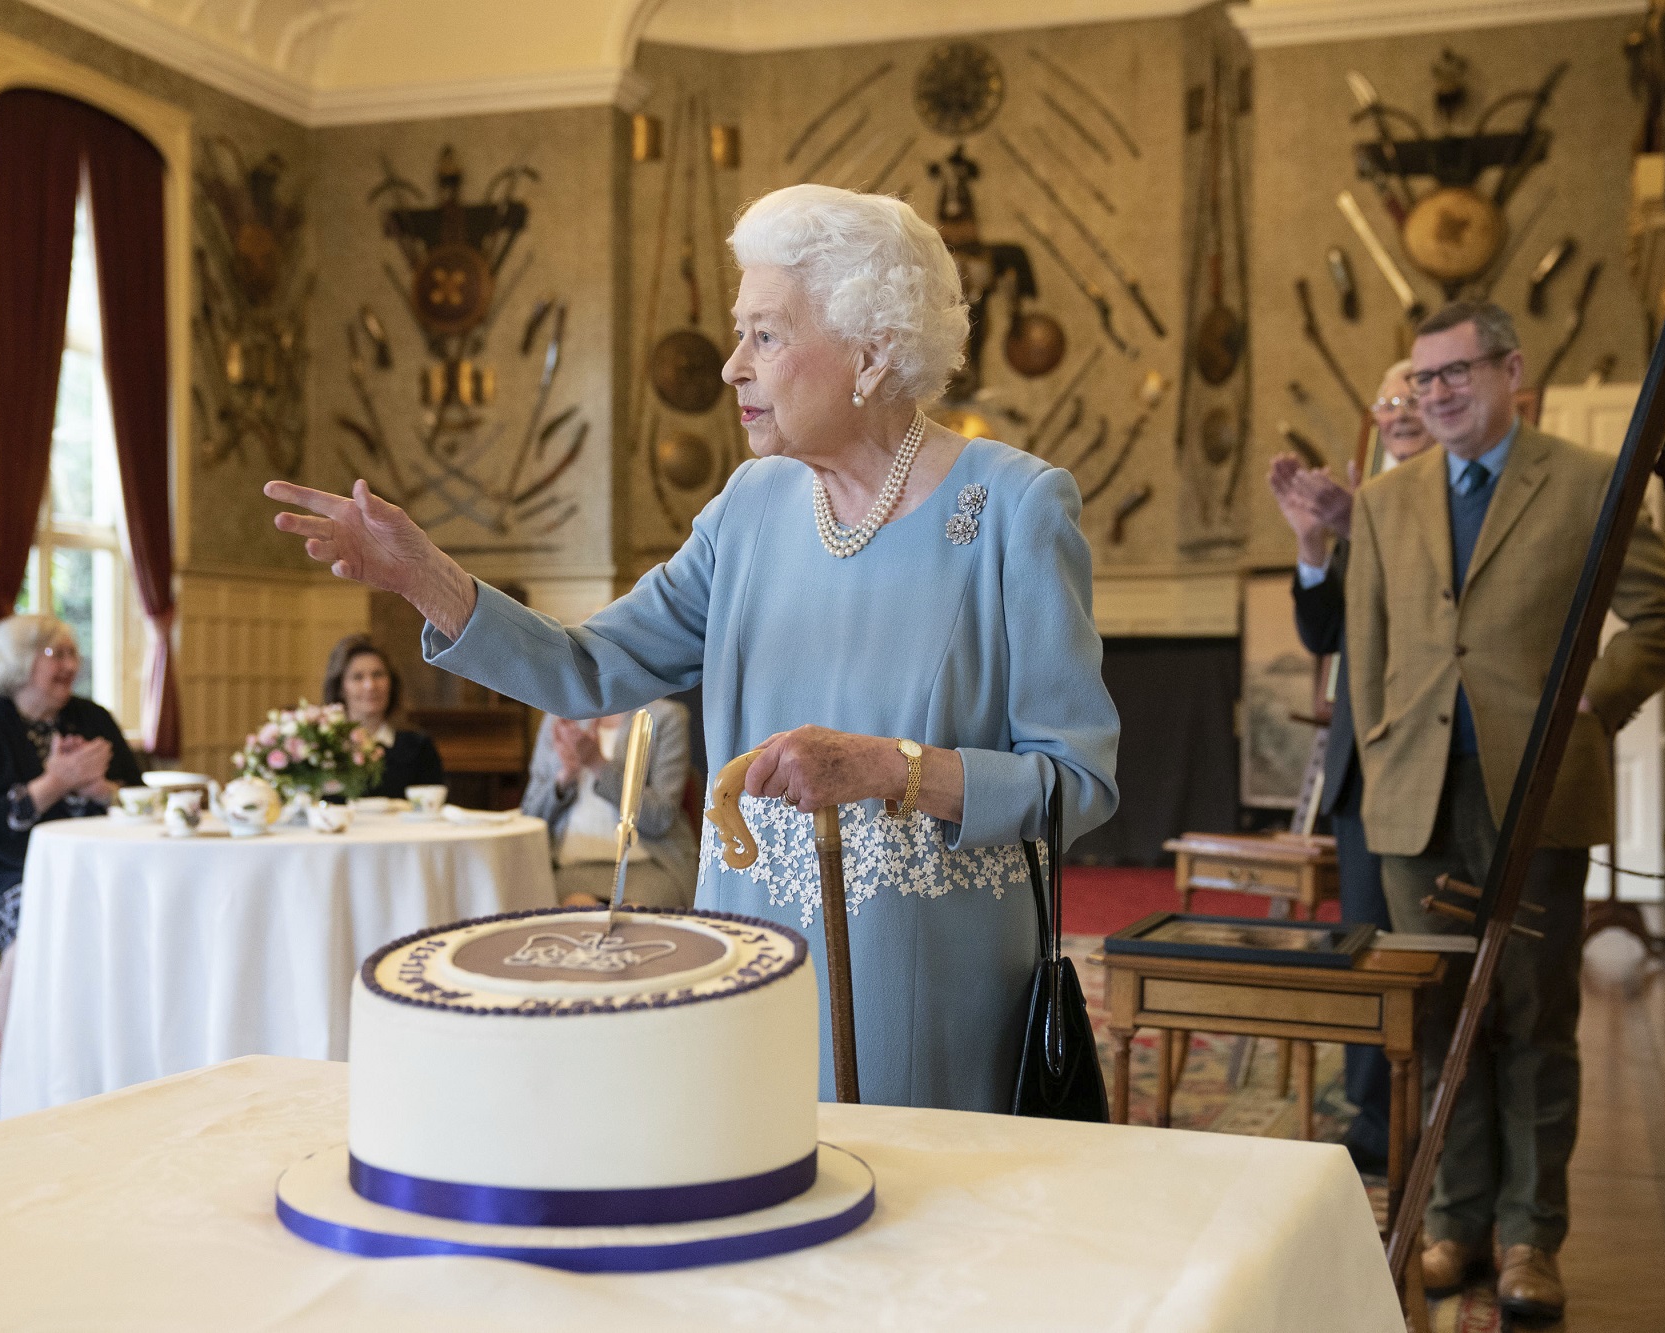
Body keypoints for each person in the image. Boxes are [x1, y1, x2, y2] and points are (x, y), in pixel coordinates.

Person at [267, 183, 1120, 1112]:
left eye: (764, 334)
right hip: (747, 959)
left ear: (870, 353)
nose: (730, 368)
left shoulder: (1014, 508)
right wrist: (426, 577)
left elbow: (1077, 781)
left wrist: (892, 767)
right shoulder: (747, 510)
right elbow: (586, 668)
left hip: (931, 987)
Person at [1347, 301, 1665, 1320]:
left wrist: (1596, 696)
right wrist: (1377, 754)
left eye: (1456, 372)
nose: (1436, 394)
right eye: (1422, 379)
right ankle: (1453, 1221)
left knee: (1534, 1019)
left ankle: (1527, 1237)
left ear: (1511, 373)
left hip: (1536, 793)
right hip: (1416, 799)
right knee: (1442, 1011)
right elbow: (1366, 655)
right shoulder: (1385, 499)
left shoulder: (1587, 482)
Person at [1265, 360, 1436, 1174]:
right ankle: (1374, 1123)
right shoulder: (1360, 495)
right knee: (1364, 946)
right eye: (1391, 398)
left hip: (1441, 761)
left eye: (1416, 394)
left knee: (1427, 951)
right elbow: (1325, 629)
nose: (1401, 408)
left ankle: (1441, 1116)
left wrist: (1360, 520)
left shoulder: (1449, 502)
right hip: (1362, 768)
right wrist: (1312, 543)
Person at [0, 616, 143, 971]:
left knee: (146, 903)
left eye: (73, 654)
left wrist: (104, 792)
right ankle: (33, 1026)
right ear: (20, 660)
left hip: (90, 870)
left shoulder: (94, 719)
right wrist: (53, 785)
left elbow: (145, 802)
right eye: (56, 654)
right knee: (54, 916)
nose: (71, 666)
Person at [523, 699, 700, 910]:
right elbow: (531, 817)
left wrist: (597, 763)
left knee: (634, 925)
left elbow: (660, 819)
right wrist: (566, 776)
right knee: (578, 918)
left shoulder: (665, 716)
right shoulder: (558, 716)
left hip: (648, 864)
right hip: (571, 865)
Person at [321, 634, 444, 799]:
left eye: (378, 674)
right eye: (358, 677)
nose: (370, 685)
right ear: (340, 688)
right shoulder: (323, 746)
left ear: (391, 683)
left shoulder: (418, 746)